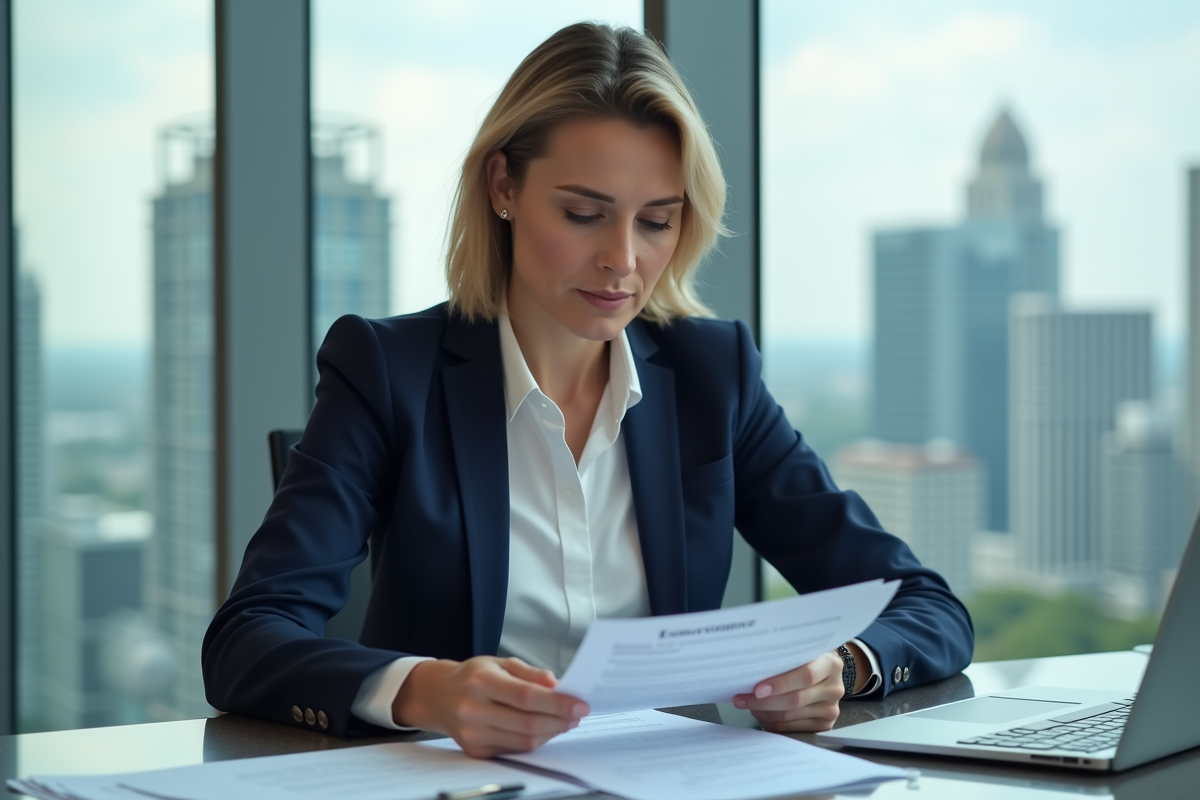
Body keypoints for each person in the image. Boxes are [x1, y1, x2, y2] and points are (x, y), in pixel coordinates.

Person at [202, 22, 973, 759]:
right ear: (503, 186)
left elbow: (925, 605)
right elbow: (247, 640)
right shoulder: (386, 370)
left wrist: (846, 665)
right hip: (459, 784)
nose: (622, 260)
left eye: (656, 222)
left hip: (671, 780)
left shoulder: (713, 375)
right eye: (583, 214)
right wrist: (429, 691)